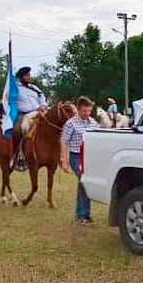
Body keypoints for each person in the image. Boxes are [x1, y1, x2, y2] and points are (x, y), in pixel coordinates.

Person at [59, 96, 98, 224]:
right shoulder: (70, 124)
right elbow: (64, 141)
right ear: (78, 109)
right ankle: (84, 215)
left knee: (83, 184)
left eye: (89, 111)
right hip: (76, 156)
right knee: (85, 181)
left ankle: (80, 213)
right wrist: (64, 160)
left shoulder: (93, 122)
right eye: (84, 111)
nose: (87, 114)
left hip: (89, 156)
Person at [13, 66, 48, 169]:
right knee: (21, 128)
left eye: (29, 75)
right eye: (27, 75)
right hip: (25, 114)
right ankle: (21, 154)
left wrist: (43, 105)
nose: (29, 77)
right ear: (21, 77)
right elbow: (9, 100)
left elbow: (42, 97)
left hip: (39, 112)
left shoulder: (34, 87)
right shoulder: (14, 88)